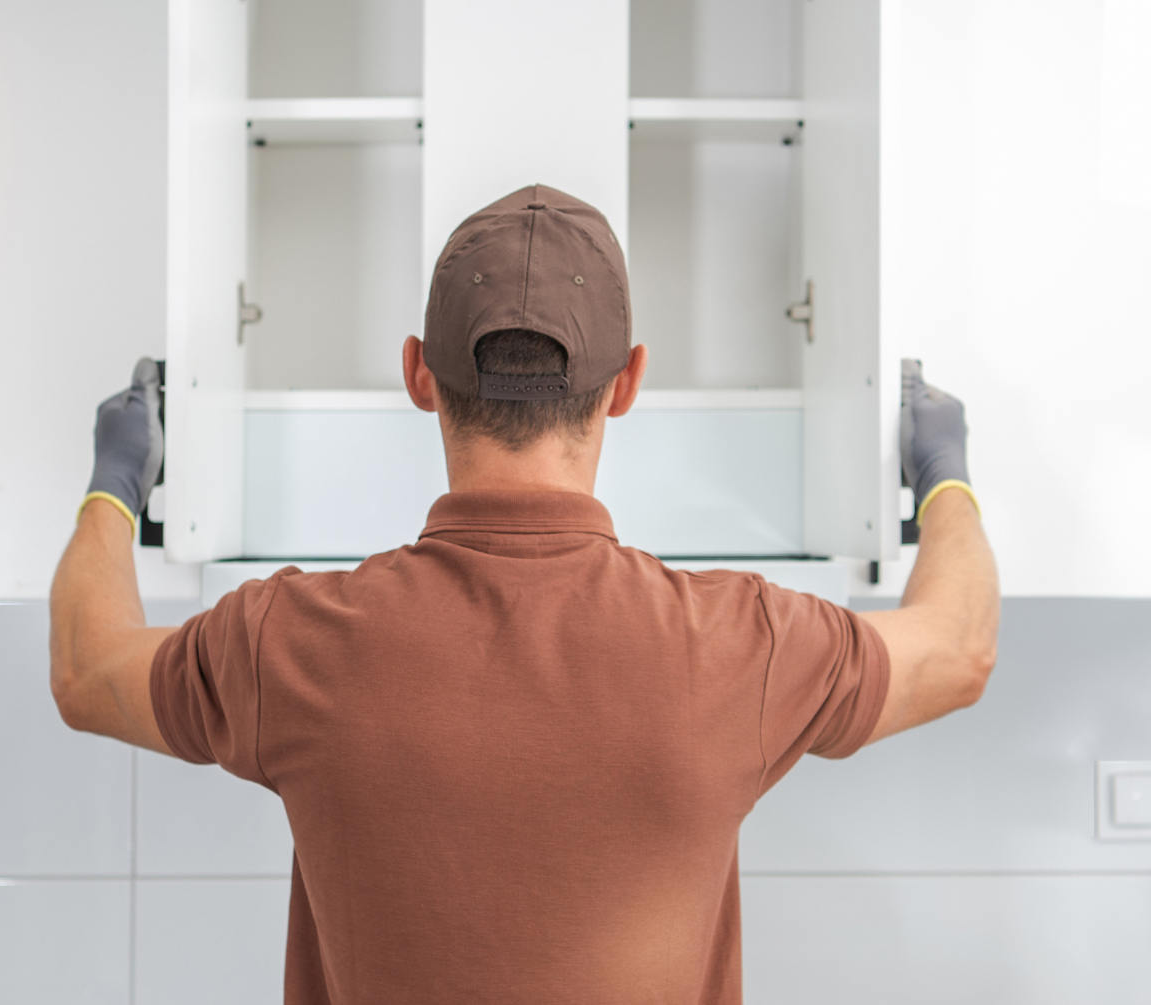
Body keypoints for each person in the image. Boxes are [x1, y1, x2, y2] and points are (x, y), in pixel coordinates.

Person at [50, 185, 998, 1004]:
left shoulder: (289, 641)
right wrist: (941, 475)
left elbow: (88, 671)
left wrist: (117, 484)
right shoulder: (740, 643)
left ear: (419, 372)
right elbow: (958, 651)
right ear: (627, 383)